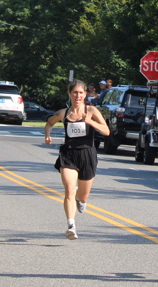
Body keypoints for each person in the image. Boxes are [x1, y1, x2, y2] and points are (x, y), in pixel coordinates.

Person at [44, 80, 110, 240]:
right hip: (68, 154)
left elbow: (106, 131)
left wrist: (90, 121)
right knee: (69, 190)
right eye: (75, 92)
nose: (78, 96)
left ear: (85, 94)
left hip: (87, 154)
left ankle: (81, 200)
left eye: (81, 93)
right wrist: (47, 135)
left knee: (83, 196)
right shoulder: (63, 113)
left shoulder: (91, 110)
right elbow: (49, 123)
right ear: (69, 94)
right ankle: (71, 226)